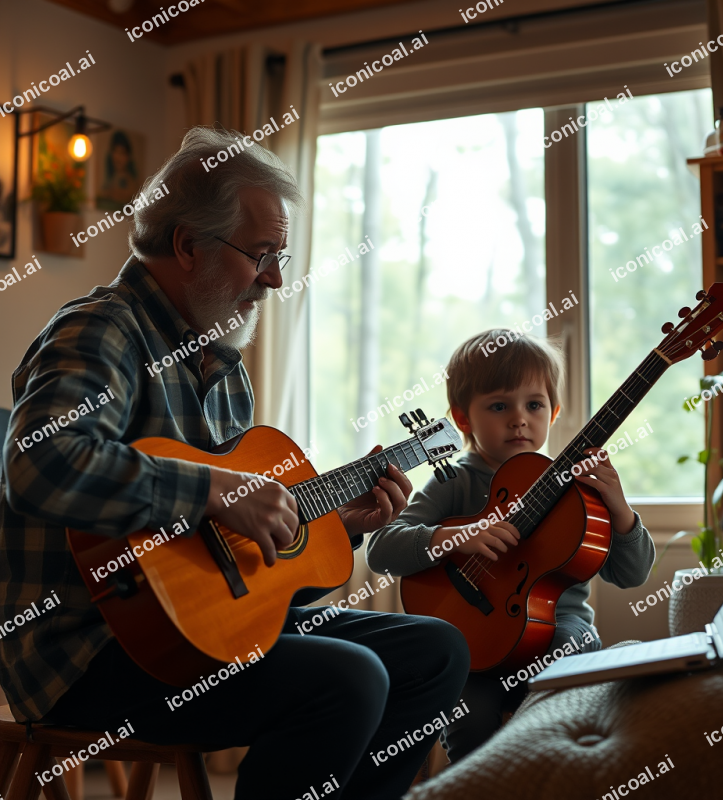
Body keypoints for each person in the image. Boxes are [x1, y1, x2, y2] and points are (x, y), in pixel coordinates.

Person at [0, 127, 470, 800]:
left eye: (280, 256)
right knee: (349, 677)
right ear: (189, 246)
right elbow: (38, 464)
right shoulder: (100, 330)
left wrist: (335, 527)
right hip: (87, 652)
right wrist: (214, 490)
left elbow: (231, 572)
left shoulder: (224, 368)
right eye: (262, 254)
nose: (276, 278)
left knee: (436, 652)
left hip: (194, 635)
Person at [366, 329, 655, 762]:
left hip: (557, 630)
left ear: (554, 413)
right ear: (462, 418)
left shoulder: (577, 490)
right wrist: (457, 536)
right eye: (499, 406)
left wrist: (620, 510)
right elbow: (381, 549)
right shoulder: (454, 481)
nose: (519, 419)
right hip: (476, 643)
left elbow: (631, 575)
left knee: (565, 661)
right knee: (468, 720)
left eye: (534, 405)